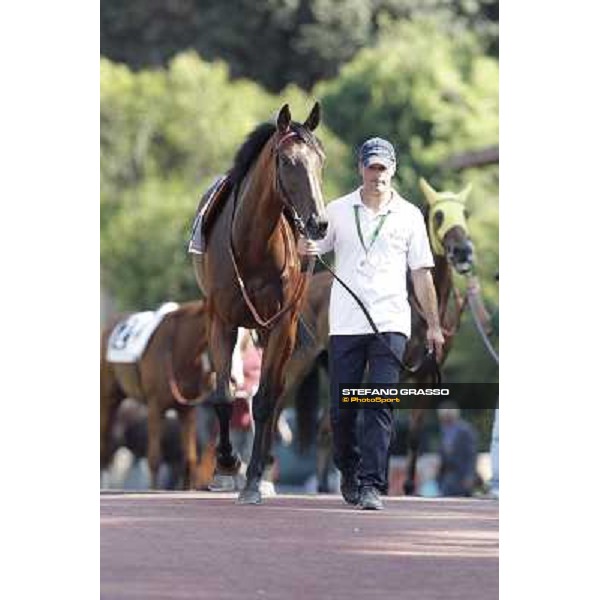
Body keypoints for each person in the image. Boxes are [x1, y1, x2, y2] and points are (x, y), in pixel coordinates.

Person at [298, 137, 444, 510]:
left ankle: (371, 486)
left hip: (391, 323)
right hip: (345, 324)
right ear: (360, 168)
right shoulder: (338, 209)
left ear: (393, 170)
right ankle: (348, 468)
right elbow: (313, 247)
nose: (377, 174)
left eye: (383, 168)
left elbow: (422, 275)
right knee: (342, 410)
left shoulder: (410, 215)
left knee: (379, 405)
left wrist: (432, 323)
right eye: (371, 167)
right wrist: (304, 246)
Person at [436, 402, 478, 497]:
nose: (444, 419)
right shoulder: (443, 430)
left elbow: (471, 455)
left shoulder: (465, 430)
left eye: (446, 416)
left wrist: (469, 476)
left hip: (461, 474)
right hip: (447, 474)